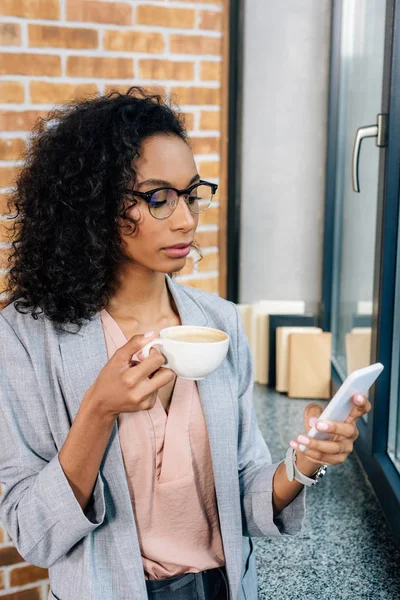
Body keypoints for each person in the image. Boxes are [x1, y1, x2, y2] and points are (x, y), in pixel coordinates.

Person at [0, 87, 370, 600]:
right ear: (93, 204)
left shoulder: (218, 321)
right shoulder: (25, 336)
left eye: (190, 193)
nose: (186, 220)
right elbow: (34, 534)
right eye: (158, 198)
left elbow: (244, 490)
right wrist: (98, 410)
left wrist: (304, 462)